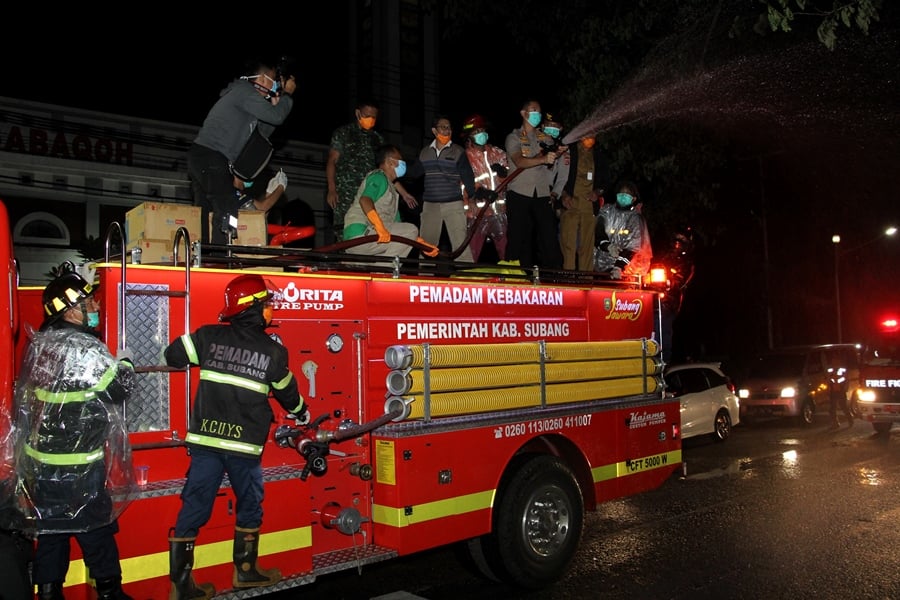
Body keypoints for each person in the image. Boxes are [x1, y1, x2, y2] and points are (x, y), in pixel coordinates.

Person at [163, 275, 310, 598]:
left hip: (206, 443)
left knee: (194, 507)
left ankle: (181, 585)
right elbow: (289, 394)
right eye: (267, 304)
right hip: (244, 448)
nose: (271, 310)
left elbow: (172, 355)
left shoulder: (208, 336)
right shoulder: (273, 352)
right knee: (251, 505)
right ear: (254, 308)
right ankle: (245, 572)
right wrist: (302, 412)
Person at [12, 264, 136, 600]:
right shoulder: (87, 349)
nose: (95, 308)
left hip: (42, 465)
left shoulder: (40, 345)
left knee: (51, 534)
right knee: (95, 532)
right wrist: (125, 362)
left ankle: (50, 594)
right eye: (88, 303)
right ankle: (111, 594)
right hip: (80, 466)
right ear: (69, 311)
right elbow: (117, 392)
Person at [188, 57, 296, 247]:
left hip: (205, 157)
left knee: (204, 212)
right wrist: (287, 95)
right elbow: (277, 117)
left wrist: (275, 105)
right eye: (272, 79)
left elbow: (263, 132)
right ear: (262, 79)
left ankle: (204, 254)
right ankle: (221, 257)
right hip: (211, 156)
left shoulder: (248, 101)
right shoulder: (244, 91)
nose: (275, 83)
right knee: (228, 208)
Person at [326, 99, 416, 242]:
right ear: (357, 113)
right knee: (344, 232)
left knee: (370, 231)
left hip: (371, 192)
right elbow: (332, 161)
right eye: (367, 115)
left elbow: (388, 171)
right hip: (346, 194)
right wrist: (331, 188)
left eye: (374, 117)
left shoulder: (378, 140)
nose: (371, 119)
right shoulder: (343, 134)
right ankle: (346, 262)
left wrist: (404, 194)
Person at [503, 100, 566, 270]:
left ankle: (555, 273)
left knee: (549, 235)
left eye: (539, 111)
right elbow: (519, 161)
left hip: (542, 192)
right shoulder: (513, 137)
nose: (537, 114)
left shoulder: (544, 137)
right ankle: (515, 273)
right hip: (519, 191)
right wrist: (543, 159)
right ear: (524, 113)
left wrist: (558, 153)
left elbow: (555, 161)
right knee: (518, 236)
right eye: (533, 110)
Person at [406, 116, 477, 262]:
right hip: (430, 205)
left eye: (449, 127)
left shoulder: (458, 151)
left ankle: (466, 278)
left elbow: (467, 175)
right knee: (427, 245)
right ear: (434, 130)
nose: (447, 130)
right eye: (443, 127)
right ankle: (425, 277)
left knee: (460, 244)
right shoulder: (425, 152)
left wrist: (472, 197)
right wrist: (396, 169)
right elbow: (413, 173)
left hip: (453, 203)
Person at [343, 145, 432, 258]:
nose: (403, 163)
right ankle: (384, 271)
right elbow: (365, 200)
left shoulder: (391, 192)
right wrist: (379, 226)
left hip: (366, 240)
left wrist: (420, 244)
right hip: (361, 233)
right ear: (390, 162)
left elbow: (399, 230)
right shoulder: (378, 177)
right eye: (400, 160)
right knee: (412, 229)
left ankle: (374, 268)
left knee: (408, 232)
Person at [461, 114, 510, 262]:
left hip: (500, 212)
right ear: (469, 137)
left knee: (506, 253)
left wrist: (503, 172)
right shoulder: (464, 157)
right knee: (471, 253)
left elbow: (511, 175)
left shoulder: (498, 153)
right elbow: (462, 183)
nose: (480, 134)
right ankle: (467, 282)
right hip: (477, 213)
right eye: (476, 132)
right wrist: (479, 192)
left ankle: (510, 280)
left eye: (481, 130)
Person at [560, 134, 610, 271]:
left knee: (587, 246)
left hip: (589, 206)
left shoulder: (599, 155)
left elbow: (606, 180)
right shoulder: (568, 151)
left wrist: (597, 192)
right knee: (568, 243)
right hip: (571, 203)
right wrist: (563, 194)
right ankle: (568, 277)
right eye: (588, 135)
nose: (591, 138)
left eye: (594, 136)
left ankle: (585, 280)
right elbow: (557, 176)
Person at [593, 180, 653, 279]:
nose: (623, 196)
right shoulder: (606, 211)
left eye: (627, 194)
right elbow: (598, 231)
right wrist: (608, 246)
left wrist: (618, 267)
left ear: (633, 199)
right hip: (601, 268)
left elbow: (632, 247)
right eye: (621, 193)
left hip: (625, 272)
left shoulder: (635, 219)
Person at [827, 358, 854, 429]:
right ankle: (835, 423)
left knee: (843, 407)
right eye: (833, 362)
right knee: (832, 408)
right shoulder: (830, 370)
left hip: (841, 390)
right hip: (833, 391)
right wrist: (829, 388)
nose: (834, 363)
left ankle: (850, 420)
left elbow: (847, 379)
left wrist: (845, 388)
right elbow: (828, 380)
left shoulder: (843, 370)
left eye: (836, 361)